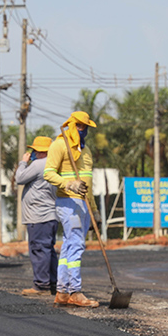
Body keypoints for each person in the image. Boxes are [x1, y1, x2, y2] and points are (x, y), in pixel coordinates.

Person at [44, 111, 99, 308]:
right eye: (82, 126)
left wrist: (94, 209)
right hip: (67, 202)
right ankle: (75, 291)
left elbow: (88, 182)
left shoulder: (85, 150)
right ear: (73, 125)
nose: (84, 131)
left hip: (83, 205)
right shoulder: (59, 145)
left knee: (68, 247)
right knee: (76, 245)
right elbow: (48, 173)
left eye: (87, 127)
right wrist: (69, 184)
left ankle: (62, 291)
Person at [15, 135, 59, 297]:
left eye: (33, 150)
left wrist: (22, 163)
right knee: (48, 250)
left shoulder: (40, 164)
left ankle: (41, 285)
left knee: (39, 249)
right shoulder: (54, 165)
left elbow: (19, 178)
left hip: (38, 215)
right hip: (50, 215)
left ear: (40, 152)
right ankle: (54, 282)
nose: (31, 153)